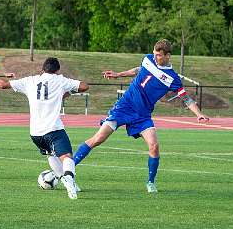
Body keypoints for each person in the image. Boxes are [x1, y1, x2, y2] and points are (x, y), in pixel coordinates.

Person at [73, 39, 209, 193]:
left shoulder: (172, 78)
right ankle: (69, 172)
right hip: (125, 106)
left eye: (158, 55)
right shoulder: (148, 58)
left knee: (154, 146)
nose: (155, 56)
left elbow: (186, 98)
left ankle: (150, 183)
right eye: (154, 53)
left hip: (143, 115)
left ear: (168, 56)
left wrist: (198, 114)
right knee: (98, 139)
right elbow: (138, 69)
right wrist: (118, 75)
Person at [0, 57, 89, 200]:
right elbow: (85, 86)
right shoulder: (60, 80)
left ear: (42, 69)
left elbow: (3, 85)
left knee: (51, 154)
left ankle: (67, 180)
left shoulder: (30, 80)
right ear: (57, 70)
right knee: (67, 157)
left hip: (35, 133)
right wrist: (67, 92)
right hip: (53, 129)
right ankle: (69, 179)